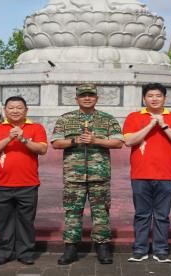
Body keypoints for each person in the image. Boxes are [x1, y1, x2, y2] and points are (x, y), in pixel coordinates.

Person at [51, 84, 123, 265]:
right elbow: (56, 143)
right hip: (73, 176)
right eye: (83, 96)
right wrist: (74, 140)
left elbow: (118, 142)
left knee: (101, 212)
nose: (87, 98)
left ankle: (102, 247)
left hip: (99, 175)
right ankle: (71, 248)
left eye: (91, 95)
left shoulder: (107, 119)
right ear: (76, 99)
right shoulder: (65, 119)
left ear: (96, 98)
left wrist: (96, 140)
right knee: (72, 212)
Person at [123, 83, 171, 263]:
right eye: (150, 95)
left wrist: (164, 126)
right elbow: (129, 141)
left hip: (166, 174)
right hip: (140, 173)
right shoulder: (134, 117)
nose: (154, 99)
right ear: (144, 98)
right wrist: (151, 125)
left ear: (164, 98)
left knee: (162, 214)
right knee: (142, 214)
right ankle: (140, 249)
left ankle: (161, 249)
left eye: (158, 96)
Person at [0, 96, 48, 265]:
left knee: (26, 221)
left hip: (28, 184)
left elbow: (42, 149)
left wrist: (23, 139)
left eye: (19, 108)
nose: (15, 111)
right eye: (11, 108)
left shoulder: (36, 127)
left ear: (26, 110)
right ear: (5, 110)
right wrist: (9, 138)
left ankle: (25, 252)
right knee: (3, 221)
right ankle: (4, 252)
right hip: (2, 184)